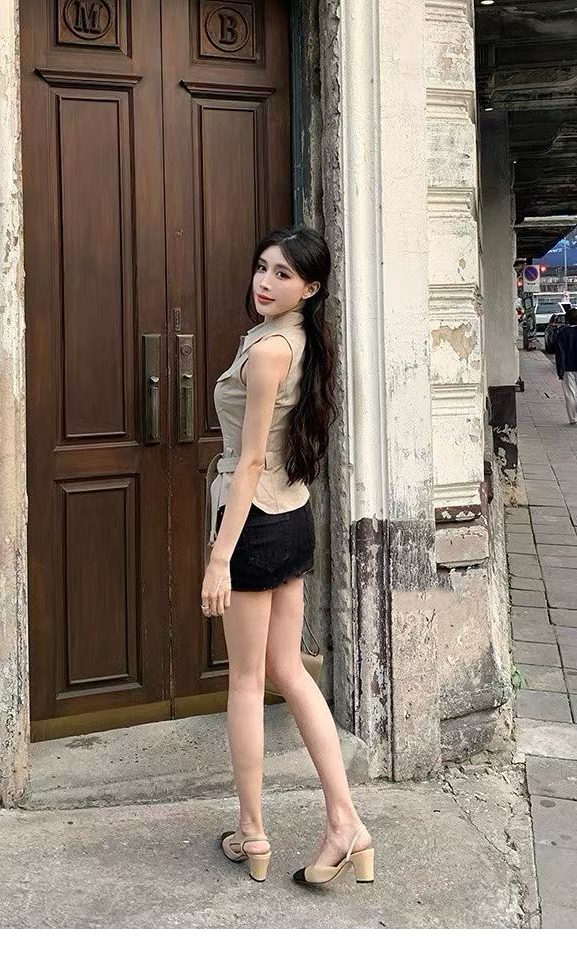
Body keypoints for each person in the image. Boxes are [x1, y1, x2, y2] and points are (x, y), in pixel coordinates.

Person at [200, 226, 373, 887]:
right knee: (288, 671)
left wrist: (220, 557)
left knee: (247, 682)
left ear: (310, 287)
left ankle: (252, 833)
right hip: (292, 515)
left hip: (254, 524)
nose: (265, 281)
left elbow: (248, 462)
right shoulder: (295, 339)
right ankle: (345, 822)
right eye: (262, 267)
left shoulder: (271, 349)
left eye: (282, 274)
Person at [554, 306, 577, 424]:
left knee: (570, 393)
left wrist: (560, 371)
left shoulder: (562, 333)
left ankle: (573, 419)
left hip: (568, 368)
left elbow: (560, 354)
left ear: (567, 320)